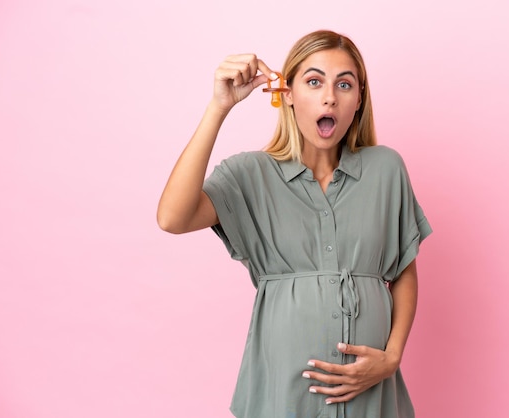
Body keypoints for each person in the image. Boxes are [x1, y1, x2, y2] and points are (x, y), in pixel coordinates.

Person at [157, 29, 432, 418]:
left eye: (345, 84)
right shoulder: (249, 174)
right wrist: (219, 107)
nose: (329, 97)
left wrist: (391, 358)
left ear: (359, 100)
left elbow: (403, 271)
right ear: (287, 95)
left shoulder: (386, 169)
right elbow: (172, 217)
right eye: (314, 81)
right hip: (282, 396)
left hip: (372, 398)